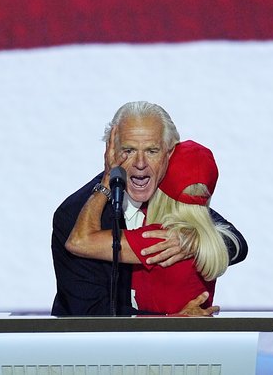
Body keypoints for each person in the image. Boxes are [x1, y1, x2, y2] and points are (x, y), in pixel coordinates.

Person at [51, 101, 247, 316]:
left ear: (169, 153)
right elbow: (88, 312)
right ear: (111, 150)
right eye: (129, 150)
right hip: (91, 344)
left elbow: (237, 243)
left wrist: (192, 240)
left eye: (152, 151)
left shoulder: (171, 197)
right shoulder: (74, 214)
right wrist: (171, 322)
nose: (141, 163)